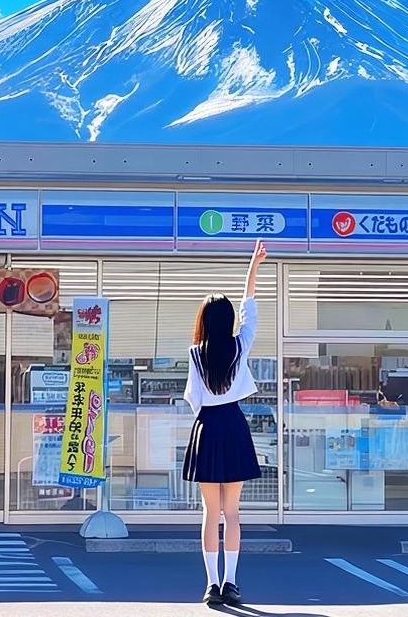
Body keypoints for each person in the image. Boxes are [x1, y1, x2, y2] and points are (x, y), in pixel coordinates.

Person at [182, 239, 266, 607]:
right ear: (227, 321)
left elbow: (193, 399)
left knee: (210, 512)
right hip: (234, 424)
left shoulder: (195, 354)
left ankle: (211, 586)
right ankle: (232, 582)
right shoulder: (240, 345)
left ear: (202, 321)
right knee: (232, 512)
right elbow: (249, 307)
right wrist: (254, 266)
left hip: (207, 427)